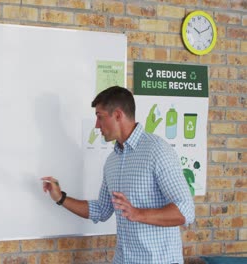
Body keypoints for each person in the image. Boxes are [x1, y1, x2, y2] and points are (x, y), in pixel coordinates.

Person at [42, 86, 195, 264]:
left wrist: (137, 213)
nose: (96, 125)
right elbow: (102, 210)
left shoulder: (157, 150)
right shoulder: (112, 161)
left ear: (117, 115)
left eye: (100, 117)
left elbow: (186, 210)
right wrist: (60, 197)